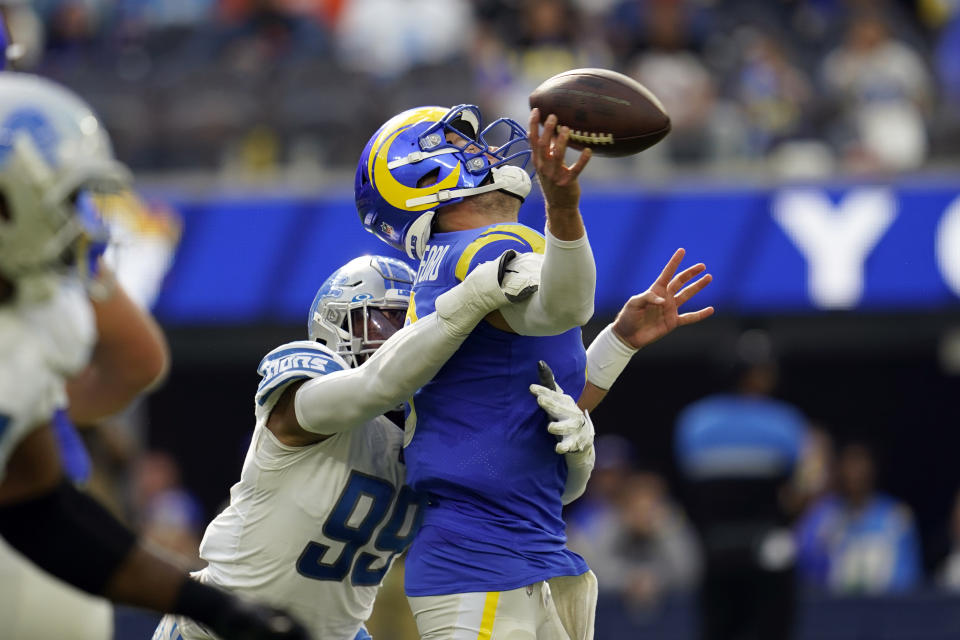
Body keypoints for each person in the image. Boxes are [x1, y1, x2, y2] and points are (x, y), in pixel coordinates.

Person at [356, 103, 713, 640]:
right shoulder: (479, 246)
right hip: (480, 561)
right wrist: (563, 208)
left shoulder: (456, 256)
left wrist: (618, 342)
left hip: (520, 551)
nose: (483, 152)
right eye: (458, 144)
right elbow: (567, 306)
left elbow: (550, 405)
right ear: (416, 175)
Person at [0, 68, 310, 640]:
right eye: (65, 200)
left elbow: (40, 511)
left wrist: (216, 609)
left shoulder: (29, 323)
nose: (81, 223)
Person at [152, 251, 587, 640]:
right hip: (220, 625)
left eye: (408, 322)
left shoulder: (432, 437)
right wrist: (470, 300)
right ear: (332, 325)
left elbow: (539, 496)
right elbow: (374, 384)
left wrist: (581, 445)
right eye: (383, 321)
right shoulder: (305, 397)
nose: (398, 336)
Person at [674, 329, 813, 640]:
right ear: (758, 374)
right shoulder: (787, 423)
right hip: (769, 557)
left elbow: (689, 490)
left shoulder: (694, 422)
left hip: (713, 555)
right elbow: (804, 491)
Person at [796, 441, 923, 594]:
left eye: (860, 463)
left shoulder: (896, 517)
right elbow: (805, 570)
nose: (854, 472)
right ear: (839, 469)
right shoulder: (822, 516)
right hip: (832, 609)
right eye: (848, 464)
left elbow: (906, 579)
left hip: (885, 609)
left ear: (873, 468)